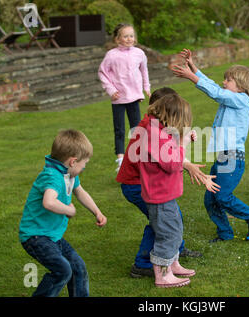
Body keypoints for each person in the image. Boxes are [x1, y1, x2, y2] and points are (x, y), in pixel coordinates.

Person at [117, 87, 220, 279]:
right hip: (136, 184)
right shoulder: (148, 130)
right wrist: (183, 147)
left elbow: (166, 150)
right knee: (162, 223)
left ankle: (173, 254)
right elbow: (167, 158)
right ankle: (145, 264)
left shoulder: (155, 125)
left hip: (145, 183)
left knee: (168, 220)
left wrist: (183, 141)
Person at [172, 50, 249, 243]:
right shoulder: (231, 96)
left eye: (228, 80)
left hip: (233, 158)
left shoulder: (242, 100)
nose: (224, 82)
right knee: (211, 199)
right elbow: (215, 87)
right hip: (223, 157)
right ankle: (225, 234)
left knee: (222, 197)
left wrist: (191, 78)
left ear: (241, 85)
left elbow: (215, 92)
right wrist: (193, 67)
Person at [19, 129, 107, 297]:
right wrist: (69, 210)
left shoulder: (68, 174)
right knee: (63, 271)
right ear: (73, 161)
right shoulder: (52, 176)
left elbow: (80, 191)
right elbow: (48, 202)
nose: (83, 169)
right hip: (36, 236)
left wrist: (97, 212)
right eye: (84, 165)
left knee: (77, 267)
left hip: (53, 236)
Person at [138, 93, 197, 288]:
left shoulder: (157, 130)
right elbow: (172, 163)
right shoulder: (154, 134)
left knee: (174, 230)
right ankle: (162, 276)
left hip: (164, 194)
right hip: (159, 196)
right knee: (168, 235)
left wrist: (180, 138)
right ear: (173, 117)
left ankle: (172, 264)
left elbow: (168, 147)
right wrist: (183, 144)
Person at [98, 23, 151, 173]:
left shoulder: (139, 53)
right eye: (125, 36)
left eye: (131, 36)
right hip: (119, 98)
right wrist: (111, 90)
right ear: (117, 39)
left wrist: (146, 88)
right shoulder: (111, 55)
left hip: (134, 97)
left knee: (137, 129)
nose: (129, 39)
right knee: (120, 130)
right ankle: (121, 160)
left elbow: (144, 71)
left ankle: (137, 158)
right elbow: (102, 73)